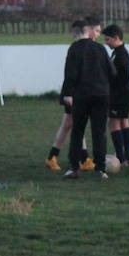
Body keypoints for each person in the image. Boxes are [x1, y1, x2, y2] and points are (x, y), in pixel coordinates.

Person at [60, 16, 113, 179]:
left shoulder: (74, 49)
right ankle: (101, 169)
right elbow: (112, 72)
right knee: (99, 132)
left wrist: (68, 93)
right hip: (101, 95)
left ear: (75, 34)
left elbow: (70, 74)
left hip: (82, 96)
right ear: (87, 32)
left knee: (78, 131)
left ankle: (74, 167)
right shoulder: (100, 49)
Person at [45, 19, 87, 171]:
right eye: (96, 30)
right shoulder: (76, 48)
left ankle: (83, 158)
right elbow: (70, 73)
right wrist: (69, 93)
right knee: (71, 124)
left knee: (72, 123)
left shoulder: (81, 47)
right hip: (73, 93)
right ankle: (53, 157)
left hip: (76, 92)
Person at [104, 24, 129, 166]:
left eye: (108, 39)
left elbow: (124, 77)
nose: (106, 42)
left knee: (114, 123)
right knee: (124, 122)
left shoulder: (121, 55)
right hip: (125, 94)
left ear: (116, 38)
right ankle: (128, 157)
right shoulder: (118, 52)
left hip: (119, 95)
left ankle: (121, 158)